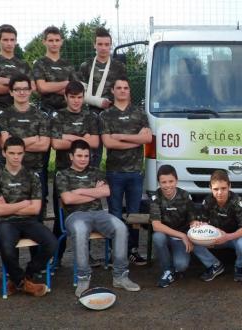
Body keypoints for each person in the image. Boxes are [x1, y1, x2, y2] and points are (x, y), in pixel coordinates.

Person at [56, 140, 140, 297]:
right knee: (80, 231)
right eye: (79, 155)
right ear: (71, 156)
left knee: (120, 227)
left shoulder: (96, 171)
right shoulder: (62, 174)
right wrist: (94, 191)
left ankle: (120, 275)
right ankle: (83, 277)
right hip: (75, 216)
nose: (83, 159)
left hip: (99, 214)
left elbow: (106, 192)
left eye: (86, 156)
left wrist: (79, 191)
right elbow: (68, 200)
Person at [0, 137, 57, 297]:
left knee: (52, 243)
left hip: (29, 221)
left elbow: (35, 209)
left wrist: (9, 207)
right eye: (11, 153)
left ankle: (23, 277)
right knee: (6, 247)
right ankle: (24, 283)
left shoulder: (32, 176)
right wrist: (23, 204)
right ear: (4, 153)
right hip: (6, 223)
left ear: (24, 154)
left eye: (19, 153)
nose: (15, 157)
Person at [101, 77, 152, 265]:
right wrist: (134, 139)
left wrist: (121, 137)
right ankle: (117, 251)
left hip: (135, 172)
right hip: (114, 172)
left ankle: (133, 250)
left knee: (134, 213)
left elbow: (147, 139)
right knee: (115, 212)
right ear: (113, 91)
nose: (123, 91)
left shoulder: (139, 113)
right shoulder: (106, 116)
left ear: (130, 91)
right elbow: (108, 143)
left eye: (126, 88)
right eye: (119, 87)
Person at [49, 81, 99, 266]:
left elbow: (94, 143)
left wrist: (68, 137)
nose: (76, 101)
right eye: (72, 97)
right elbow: (56, 143)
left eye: (79, 97)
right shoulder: (58, 116)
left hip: (86, 174)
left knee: (87, 212)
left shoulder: (90, 116)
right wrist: (81, 139)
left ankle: (87, 255)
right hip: (63, 174)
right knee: (60, 217)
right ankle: (56, 257)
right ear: (66, 97)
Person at [151, 165, 223, 288]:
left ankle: (214, 264)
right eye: (163, 182)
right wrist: (182, 235)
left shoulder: (185, 196)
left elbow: (192, 220)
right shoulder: (155, 197)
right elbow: (156, 226)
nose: (167, 185)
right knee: (158, 237)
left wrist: (194, 224)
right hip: (168, 236)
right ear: (159, 183)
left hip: (182, 240)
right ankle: (167, 271)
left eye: (171, 181)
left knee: (181, 265)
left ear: (176, 181)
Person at [0, 74, 50, 222]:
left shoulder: (41, 115)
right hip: (10, 174)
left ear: (31, 90)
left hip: (35, 171)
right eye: (17, 89)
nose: (22, 92)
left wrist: (16, 144)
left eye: (25, 89)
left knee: (36, 218)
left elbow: (44, 145)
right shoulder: (4, 116)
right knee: (11, 216)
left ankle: (36, 245)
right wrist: (33, 139)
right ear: (11, 92)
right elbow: (5, 145)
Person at [79, 27, 127, 168]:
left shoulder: (119, 66)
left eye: (106, 44)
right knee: (94, 154)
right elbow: (81, 94)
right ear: (94, 45)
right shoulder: (85, 66)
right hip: (91, 114)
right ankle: (93, 181)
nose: (103, 48)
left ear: (110, 45)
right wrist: (98, 102)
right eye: (100, 44)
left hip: (114, 115)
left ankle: (113, 183)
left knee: (116, 154)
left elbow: (124, 91)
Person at [196, 170, 242, 282]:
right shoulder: (208, 200)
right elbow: (203, 223)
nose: (220, 192)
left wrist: (227, 237)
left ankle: (239, 267)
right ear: (210, 188)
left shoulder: (237, 201)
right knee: (192, 239)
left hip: (233, 238)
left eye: (223, 188)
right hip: (214, 237)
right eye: (216, 189)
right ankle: (215, 265)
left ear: (229, 186)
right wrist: (205, 235)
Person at [0, 24, 32, 114]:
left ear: (16, 41)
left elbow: (31, 88)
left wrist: (6, 81)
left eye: (12, 40)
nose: (9, 43)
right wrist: (20, 89)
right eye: (5, 40)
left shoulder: (23, 64)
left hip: (20, 111)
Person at [33, 26, 78, 114]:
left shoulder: (68, 64)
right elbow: (42, 88)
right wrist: (66, 83)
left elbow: (75, 90)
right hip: (46, 111)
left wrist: (50, 87)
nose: (54, 43)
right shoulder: (39, 63)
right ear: (44, 42)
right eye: (51, 40)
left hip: (67, 111)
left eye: (57, 40)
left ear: (61, 42)